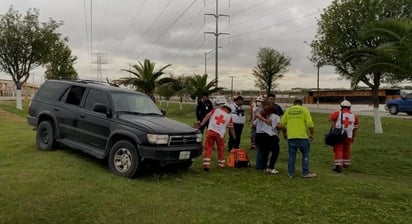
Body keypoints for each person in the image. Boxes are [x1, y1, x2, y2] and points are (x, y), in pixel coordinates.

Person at [281, 99, 317, 178]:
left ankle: (291, 173)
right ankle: (305, 173)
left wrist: (284, 134)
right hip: (302, 137)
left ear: (293, 104)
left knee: (292, 156)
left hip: (291, 137)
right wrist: (312, 134)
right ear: (301, 104)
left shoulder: (288, 110)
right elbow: (310, 124)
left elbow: (282, 124)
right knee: (305, 155)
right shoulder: (304, 110)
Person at [199, 104, 236, 171]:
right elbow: (231, 129)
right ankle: (221, 164)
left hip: (211, 131)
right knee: (221, 149)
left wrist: (202, 123)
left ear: (223, 107)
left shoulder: (216, 110)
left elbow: (207, 115)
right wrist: (234, 137)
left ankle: (206, 164)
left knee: (208, 147)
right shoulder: (229, 117)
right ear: (229, 110)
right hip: (220, 134)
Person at [329, 100, 359, 173]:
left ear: (341, 107)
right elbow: (355, 128)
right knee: (346, 149)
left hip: (339, 134)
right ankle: (346, 164)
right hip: (349, 135)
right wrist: (353, 137)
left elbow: (330, 119)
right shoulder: (354, 116)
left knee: (338, 149)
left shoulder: (338, 113)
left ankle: (338, 166)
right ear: (349, 107)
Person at [254, 99, 282, 174]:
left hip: (259, 135)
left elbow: (253, 124)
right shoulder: (275, 116)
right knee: (275, 151)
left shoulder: (261, 116)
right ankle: (271, 167)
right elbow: (278, 126)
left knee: (265, 152)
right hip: (270, 135)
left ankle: (264, 167)